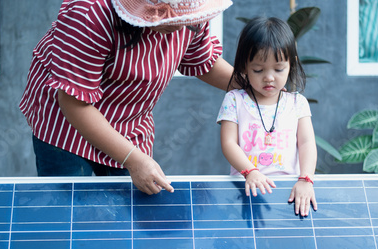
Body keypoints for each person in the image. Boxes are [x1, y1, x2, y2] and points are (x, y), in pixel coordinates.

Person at [19, 0, 234, 195]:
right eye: (171, 17)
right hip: (67, 124)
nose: (179, 27)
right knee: (71, 213)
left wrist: (254, 85)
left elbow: (200, 59)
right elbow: (74, 103)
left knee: (128, 215)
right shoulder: (91, 12)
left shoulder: (191, 9)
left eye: (184, 18)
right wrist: (134, 159)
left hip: (130, 121)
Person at [217, 16, 318, 217]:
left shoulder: (298, 103)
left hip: (289, 192)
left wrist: (305, 179)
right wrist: (250, 172)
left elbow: (306, 143)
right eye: (258, 69)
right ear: (245, 66)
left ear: (291, 64)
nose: (269, 77)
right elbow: (229, 143)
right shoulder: (234, 100)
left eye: (279, 69)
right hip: (246, 189)